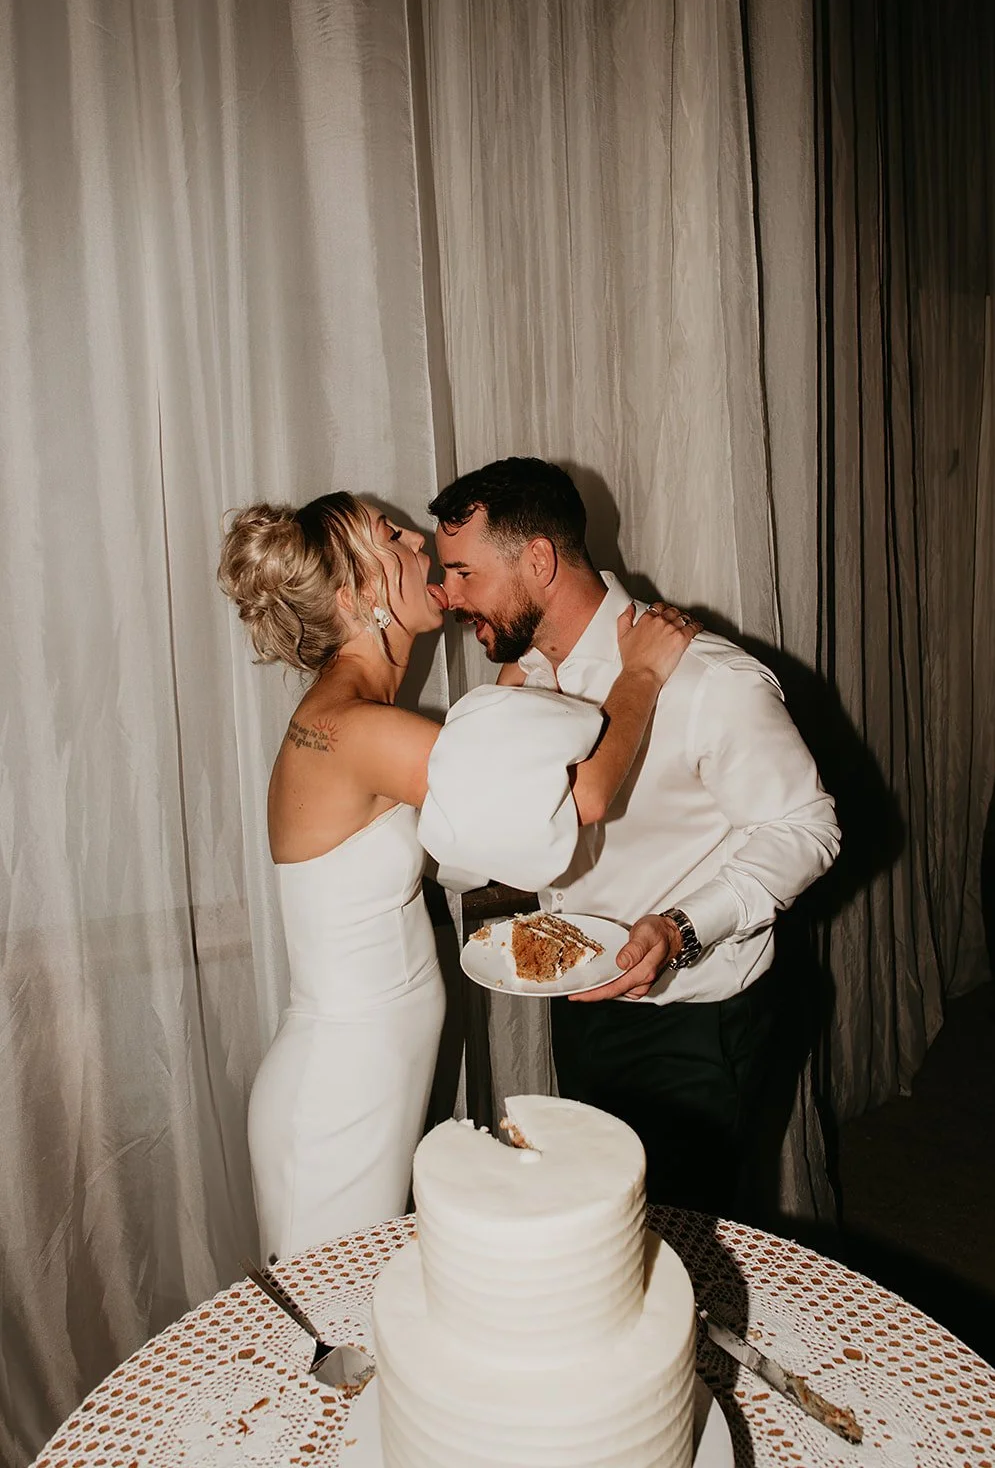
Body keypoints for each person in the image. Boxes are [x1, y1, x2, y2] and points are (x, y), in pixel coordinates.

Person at [217, 490, 696, 1258]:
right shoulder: (354, 729)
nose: (418, 541)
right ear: (361, 596)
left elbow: (470, 809)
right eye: (391, 536)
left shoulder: (356, 717)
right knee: (338, 1331)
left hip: (362, 1073)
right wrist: (640, 675)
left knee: (359, 1312)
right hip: (340, 1093)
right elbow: (584, 799)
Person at [429, 458, 841, 1216]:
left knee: (693, 1249)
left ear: (540, 561)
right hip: (581, 1006)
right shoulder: (521, 687)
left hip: (696, 1018)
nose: (447, 596)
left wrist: (683, 927)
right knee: (603, 1230)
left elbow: (809, 827)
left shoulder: (710, 681)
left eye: (462, 573)